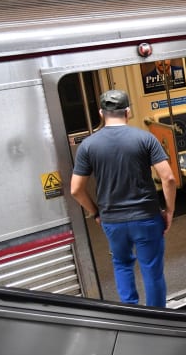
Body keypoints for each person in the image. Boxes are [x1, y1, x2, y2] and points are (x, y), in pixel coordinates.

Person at [70, 90, 177, 307]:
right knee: (152, 270)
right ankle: (158, 319)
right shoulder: (145, 138)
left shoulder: (88, 145)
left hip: (112, 221)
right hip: (147, 217)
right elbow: (168, 178)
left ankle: (131, 315)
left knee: (122, 265)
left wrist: (96, 212)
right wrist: (169, 210)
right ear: (128, 112)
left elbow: (76, 190)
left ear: (101, 113)